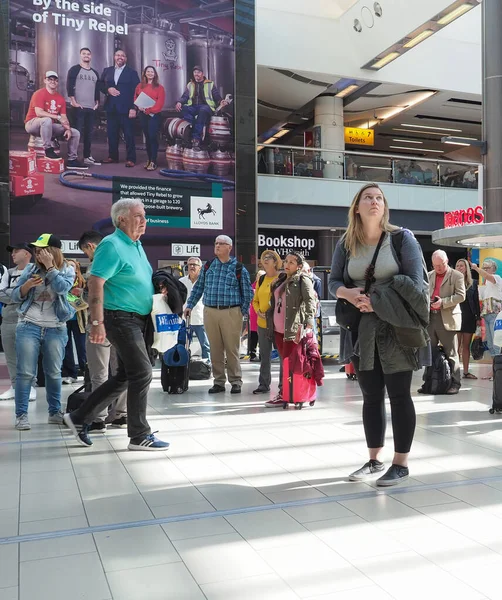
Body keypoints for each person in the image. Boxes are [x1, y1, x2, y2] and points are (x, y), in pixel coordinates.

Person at [329, 183, 429, 487]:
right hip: (360, 330)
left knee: (399, 396)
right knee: (371, 397)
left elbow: (417, 285)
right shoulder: (347, 243)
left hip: (395, 328)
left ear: (384, 207)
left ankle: (401, 464)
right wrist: (348, 292)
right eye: (367, 198)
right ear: (357, 208)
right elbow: (334, 281)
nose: (374, 202)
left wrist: (378, 299)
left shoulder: (402, 239)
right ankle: (374, 459)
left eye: (379, 198)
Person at [64, 200, 169, 450]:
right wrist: (97, 322)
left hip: (139, 319)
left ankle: (79, 418)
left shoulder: (137, 245)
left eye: (144, 216)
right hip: (120, 318)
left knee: (125, 375)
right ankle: (139, 435)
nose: (144, 220)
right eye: (138, 216)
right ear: (121, 219)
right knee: (142, 372)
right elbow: (96, 283)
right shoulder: (111, 245)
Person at [11, 234, 75, 430]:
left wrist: (50, 268)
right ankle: (21, 415)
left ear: (53, 251)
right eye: (36, 251)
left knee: (54, 373)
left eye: (42, 250)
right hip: (28, 325)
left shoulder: (67, 269)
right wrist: (26, 286)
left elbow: (63, 288)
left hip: (55, 327)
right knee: (25, 373)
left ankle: (54, 413)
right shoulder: (30, 269)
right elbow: (14, 296)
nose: (38, 254)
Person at [184, 235, 253, 394]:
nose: (217, 246)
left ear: (229, 247)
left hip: (231, 311)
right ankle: (219, 382)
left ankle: (236, 381)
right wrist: (190, 305)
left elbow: (248, 293)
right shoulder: (209, 266)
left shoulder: (238, 268)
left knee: (232, 349)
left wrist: (239, 312)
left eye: (221, 244)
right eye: (216, 243)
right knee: (215, 349)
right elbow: (199, 287)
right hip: (210, 311)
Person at [77, 230, 127, 431]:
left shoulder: (96, 266)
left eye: (85, 251)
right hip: (122, 323)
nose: (87, 256)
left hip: (99, 323)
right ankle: (121, 415)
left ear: (91, 246)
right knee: (122, 372)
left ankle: (98, 417)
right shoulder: (122, 260)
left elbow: (89, 298)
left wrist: (76, 296)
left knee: (99, 373)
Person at [268, 251, 316, 396]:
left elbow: (310, 301)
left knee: (292, 363)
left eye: (291, 262)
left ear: (299, 266)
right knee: (284, 362)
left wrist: (309, 320)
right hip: (277, 328)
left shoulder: (303, 279)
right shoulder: (281, 279)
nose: (286, 264)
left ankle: (291, 392)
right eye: (286, 261)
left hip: (292, 328)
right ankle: (287, 392)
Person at [422, 250, 465, 394]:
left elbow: (461, 296)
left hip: (447, 318)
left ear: (447, 261)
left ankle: (455, 383)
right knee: (429, 352)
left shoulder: (457, 275)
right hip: (430, 318)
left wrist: (443, 303)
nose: (438, 268)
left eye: (441, 265)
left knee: (451, 352)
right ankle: (428, 382)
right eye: (435, 265)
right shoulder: (428, 275)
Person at [24, 71, 86, 169]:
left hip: (48, 126)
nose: (53, 82)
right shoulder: (39, 94)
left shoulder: (60, 98)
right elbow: (39, 113)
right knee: (47, 120)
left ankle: (72, 160)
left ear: (57, 82)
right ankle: (48, 150)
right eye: (50, 79)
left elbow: (64, 117)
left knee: (75, 132)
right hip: (32, 124)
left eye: (55, 80)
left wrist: (68, 129)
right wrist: (57, 117)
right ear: (45, 81)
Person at [0, 244, 37, 401]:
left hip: (28, 318)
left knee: (28, 355)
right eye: (12, 252)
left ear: (27, 253)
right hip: (8, 318)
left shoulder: (35, 271)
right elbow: (1, 294)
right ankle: (15, 387)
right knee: (10, 355)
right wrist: (20, 293)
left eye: (16, 251)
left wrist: (15, 294)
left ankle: (31, 387)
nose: (13, 254)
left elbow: (34, 294)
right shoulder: (8, 273)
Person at [100, 49, 140, 167]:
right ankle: (113, 157)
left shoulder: (132, 72)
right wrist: (108, 89)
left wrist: (134, 107)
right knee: (112, 134)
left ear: (126, 58)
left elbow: (137, 91)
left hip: (127, 109)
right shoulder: (107, 71)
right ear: (114, 57)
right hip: (111, 107)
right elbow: (100, 84)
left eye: (122, 55)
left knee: (129, 135)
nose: (120, 57)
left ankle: (131, 158)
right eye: (118, 55)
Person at [252, 251, 283, 399]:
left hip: (278, 323)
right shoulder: (262, 278)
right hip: (262, 323)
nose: (264, 260)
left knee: (283, 356)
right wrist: (258, 311)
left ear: (275, 261)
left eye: (268, 258)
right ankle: (263, 384)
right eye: (263, 258)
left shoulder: (282, 278)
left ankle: (283, 386)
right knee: (264, 355)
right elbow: (255, 300)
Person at [176, 65, 228, 149]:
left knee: (202, 111)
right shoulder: (190, 84)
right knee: (184, 108)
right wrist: (179, 102)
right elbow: (185, 96)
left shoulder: (210, 84)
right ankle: (188, 135)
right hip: (193, 107)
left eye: (198, 72)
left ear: (202, 74)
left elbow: (216, 96)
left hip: (206, 107)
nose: (196, 74)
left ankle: (196, 139)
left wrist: (221, 101)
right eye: (195, 72)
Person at [66, 47, 101, 166]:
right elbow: (69, 85)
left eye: (88, 54)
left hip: (91, 108)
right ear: (80, 55)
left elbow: (97, 89)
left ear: (91, 57)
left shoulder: (95, 73)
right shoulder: (74, 70)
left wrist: (97, 102)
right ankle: (72, 158)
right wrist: (73, 101)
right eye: (84, 54)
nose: (86, 55)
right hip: (78, 107)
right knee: (76, 133)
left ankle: (87, 156)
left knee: (89, 134)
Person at [472, 259, 502, 379]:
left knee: (496, 344)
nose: (484, 270)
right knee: (490, 344)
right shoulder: (485, 285)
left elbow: (487, 276)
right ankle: (495, 370)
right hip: (487, 316)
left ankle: (496, 370)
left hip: (495, 315)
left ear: (493, 269)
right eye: (483, 268)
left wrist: (476, 268)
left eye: (487, 268)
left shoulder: (497, 278)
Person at [134, 65, 165, 171]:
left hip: (154, 115)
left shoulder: (160, 88)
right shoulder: (139, 86)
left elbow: (160, 104)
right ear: (145, 73)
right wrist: (139, 106)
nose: (150, 73)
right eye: (148, 71)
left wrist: (149, 110)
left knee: (152, 137)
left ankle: (154, 161)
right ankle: (149, 159)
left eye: (152, 71)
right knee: (147, 137)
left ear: (155, 74)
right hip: (142, 114)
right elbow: (136, 97)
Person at [179, 257, 210, 361]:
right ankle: (183, 365)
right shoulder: (181, 282)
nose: (191, 267)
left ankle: (207, 365)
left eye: (194, 265)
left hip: (200, 319)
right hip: (184, 319)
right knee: (182, 344)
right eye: (189, 265)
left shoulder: (205, 282)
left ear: (200, 268)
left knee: (205, 345)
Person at [61, 259, 87, 384]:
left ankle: (86, 371)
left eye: (72, 266)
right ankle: (70, 374)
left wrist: (77, 301)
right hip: (64, 319)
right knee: (66, 346)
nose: (69, 268)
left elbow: (88, 300)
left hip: (80, 319)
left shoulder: (83, 282)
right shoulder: (61, 281)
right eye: (67, 266)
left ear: (77, 268)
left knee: (82, 346)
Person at [455, 259, 480, 380]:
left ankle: (465, 371)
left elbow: (476, 302)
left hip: (469, 317)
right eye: (458, 266)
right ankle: (454, 372)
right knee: (455, 346)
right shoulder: (452, 282)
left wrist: (479, 318)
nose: (460, 268)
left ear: (466, 268)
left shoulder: (474, 283)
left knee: (466, 346)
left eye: (462, 266)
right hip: (455, 316)